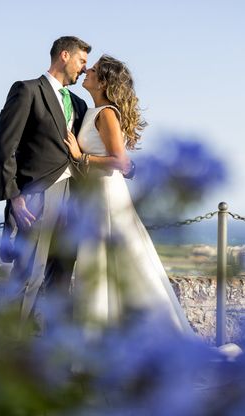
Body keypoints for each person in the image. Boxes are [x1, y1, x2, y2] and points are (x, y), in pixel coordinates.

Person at [63, 55, 195, 336]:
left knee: (113, 260)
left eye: (94, 69)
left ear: (103, 82)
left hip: (106, 195)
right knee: (101, 263)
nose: (87, 70)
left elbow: (121, 162)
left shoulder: (107, 113)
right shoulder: (93, 110)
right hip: (95, 195)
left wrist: (80, 156)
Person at [0, 36, 91, 322]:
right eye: (81, 61)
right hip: (37, 195)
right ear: (64, 56)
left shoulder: (80, 104)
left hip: (74, 200)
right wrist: (14, 195)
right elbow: (2, 144)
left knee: (61, 277)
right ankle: (11, 350)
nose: (84, 69)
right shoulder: (27, 91)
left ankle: (53, 353)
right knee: (28, 276)